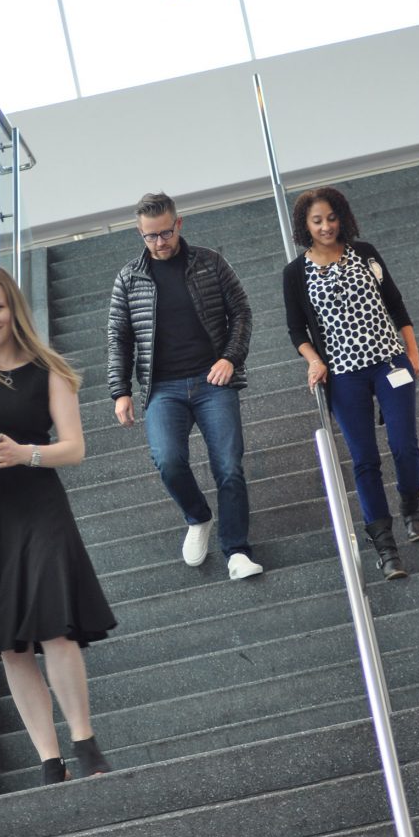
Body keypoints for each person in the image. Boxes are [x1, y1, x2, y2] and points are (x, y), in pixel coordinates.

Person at [0, 266, 116, 784]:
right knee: (11, 644)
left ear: (14, 307)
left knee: (55, 626)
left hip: (38, 504)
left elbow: (74, 448)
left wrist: (24, 453)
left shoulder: (47, 369)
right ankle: (49, 762)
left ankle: (85, 744)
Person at [108, 192, 262, 580]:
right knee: (168, 460)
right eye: (150, 236)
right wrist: (120, 391)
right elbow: (119, 338)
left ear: (178, 224)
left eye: (165, 233)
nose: (159, 242)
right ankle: (198, 517)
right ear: (140, 233)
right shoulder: (129, 278)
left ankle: (236, 551)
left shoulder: (210, 262)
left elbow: (241, 312)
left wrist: (230, 358)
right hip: (163, 388)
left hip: (213, 381)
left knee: (228, 466)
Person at [282, 186, 419, 579]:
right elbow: (296, 330)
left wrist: (412, 351)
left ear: (342, 217)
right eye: (317, 221)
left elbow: (396, 303)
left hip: (389, 363)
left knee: (404, 444)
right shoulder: (295, 274)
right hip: (344, 375)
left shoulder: (365, 253)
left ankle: (412, 507)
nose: (326, 226)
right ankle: (385, 546)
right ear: (305, 225)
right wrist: (314, 361)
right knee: (364, 459)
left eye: (331, 218)